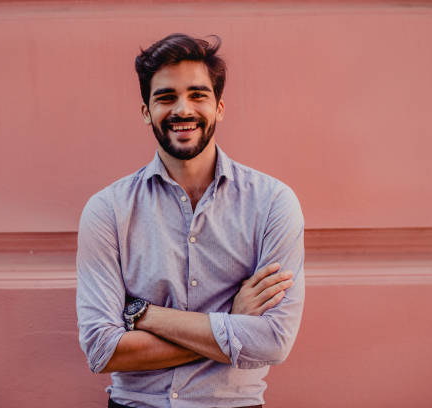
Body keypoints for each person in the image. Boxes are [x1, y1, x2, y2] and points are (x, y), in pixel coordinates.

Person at [76, 33, 305, 408]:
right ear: (146, 112)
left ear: (219, 107)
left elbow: (273, 341)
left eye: (198, 95)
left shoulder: (272, 203)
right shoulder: (108, 210)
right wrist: (231, 321)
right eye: (166, 97)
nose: (183, 109)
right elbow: (101, 350)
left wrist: (144, 315)